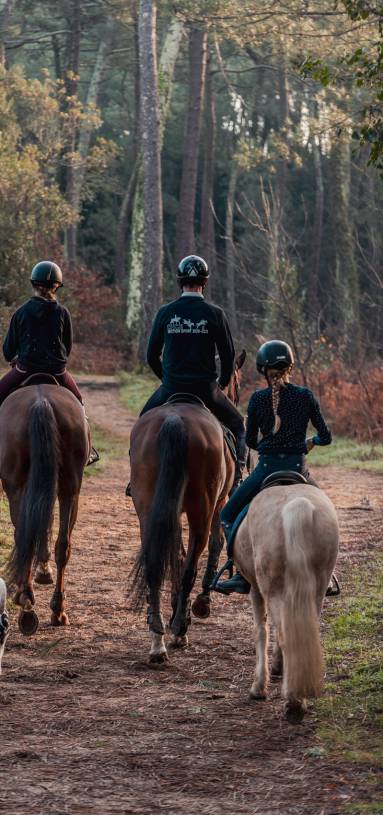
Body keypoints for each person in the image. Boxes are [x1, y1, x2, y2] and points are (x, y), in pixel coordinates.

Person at [214, 339, 332, 595]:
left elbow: (252, 440)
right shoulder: (305, 396)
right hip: (299, 470)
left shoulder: (257, 400)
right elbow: (327, 436)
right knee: (326, 516)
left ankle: (242, 574)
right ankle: (328, 575)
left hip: (266, 469)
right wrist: (308, 443)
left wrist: (268, 442)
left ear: (262, 370)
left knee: (227, 515)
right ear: (290, 366)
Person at [0, 260, 92, 472]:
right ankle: (88, 451)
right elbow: (68, 347)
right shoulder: (63, 313)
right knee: (79, 404)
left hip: (24, 370)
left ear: (33, 284)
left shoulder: (21, 312)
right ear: (57, 286)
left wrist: (16, 358)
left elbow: (8, 351)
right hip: (57, 372)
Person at [140, 254, 247, 477]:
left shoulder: (165, 312)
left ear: (180, 281)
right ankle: (237, 476)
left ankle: (137, 476)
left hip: (171, 388)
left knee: (142, 423)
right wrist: (222, 383)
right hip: (205, 390)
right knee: (238, 424)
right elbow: (228, 357)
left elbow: (151, 356)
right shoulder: (215, 314)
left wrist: (168, 379)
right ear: (205, 282)